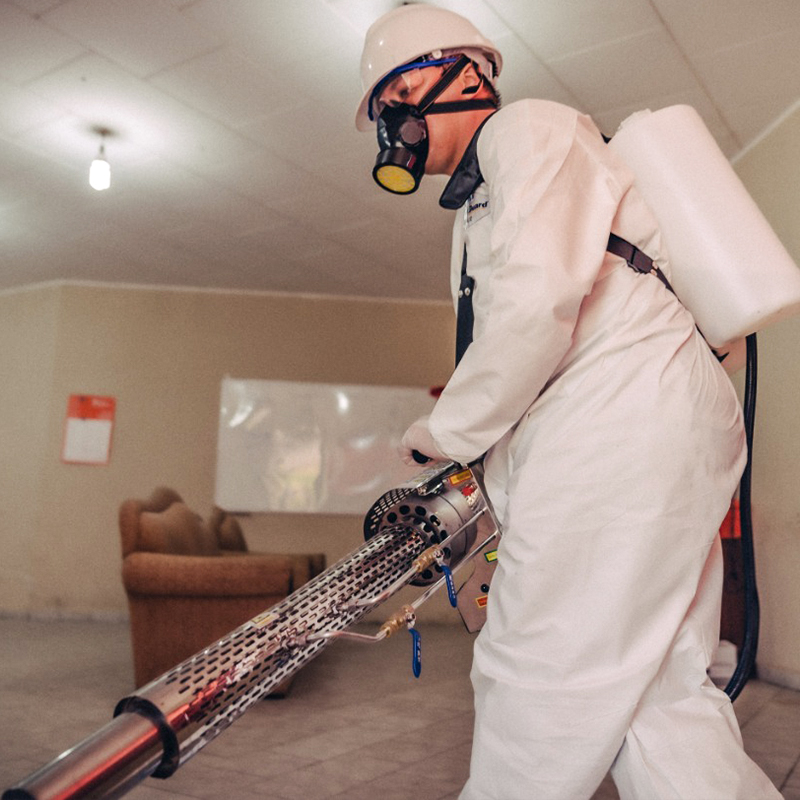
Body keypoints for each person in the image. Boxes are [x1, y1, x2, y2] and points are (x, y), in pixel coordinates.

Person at [355, 5, 782, 800]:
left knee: (538, 670)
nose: (393, 122)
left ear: (468, 72)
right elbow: (521, 333)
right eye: (383, 109)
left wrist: (444, 431)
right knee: (657, 697)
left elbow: (537, 303)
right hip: (639, 423)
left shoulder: (526, 129)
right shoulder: (481, 198)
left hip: (622, 420)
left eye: (400, 94)